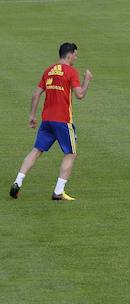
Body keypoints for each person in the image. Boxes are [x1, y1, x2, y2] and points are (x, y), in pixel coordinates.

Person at [10, 43, 93, 202]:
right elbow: (80, 95)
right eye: (75, 54)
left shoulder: (48, 71)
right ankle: (58, 191)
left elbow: (35, 95)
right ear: (69, 55)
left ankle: (17, 181)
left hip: (46, 120)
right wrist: (87, 80)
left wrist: (32, 116)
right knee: (70, 153)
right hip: (62, 121)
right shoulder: (70, 71)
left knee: (36, 150)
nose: (76, 57)